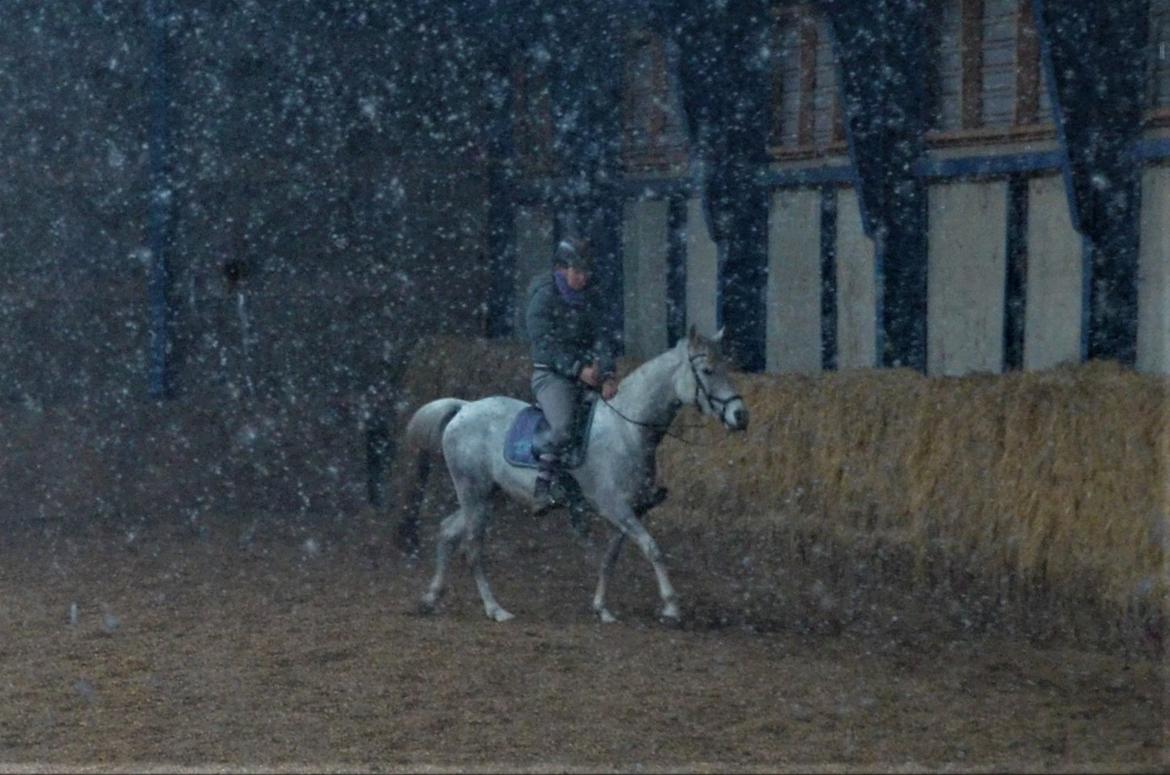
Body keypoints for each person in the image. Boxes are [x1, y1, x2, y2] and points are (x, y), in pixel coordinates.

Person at [525, 236, 618, 509]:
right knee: (563, 426)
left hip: (588, 373)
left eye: (587, 272)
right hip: (551, 375)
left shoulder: (592, 297)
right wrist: (577, 370)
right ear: (561, 269)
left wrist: (608, 374)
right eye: (577, 272)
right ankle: (542, 486)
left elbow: (602, 338)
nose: (583, 278)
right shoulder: (543, 297)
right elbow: (545, 344)